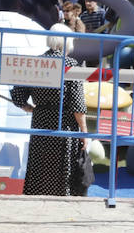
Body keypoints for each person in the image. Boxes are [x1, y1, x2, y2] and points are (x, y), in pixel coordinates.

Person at [10, 24, 88, 196]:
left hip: (40, 119)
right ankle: (61, 195)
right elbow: (77, 104)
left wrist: (31, 109)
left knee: (40, 162)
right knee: (62, 164)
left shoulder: (36, 62)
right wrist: (84, 132)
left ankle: (37, 194)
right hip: (64, 121)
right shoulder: (70, 64)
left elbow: (17, 94)